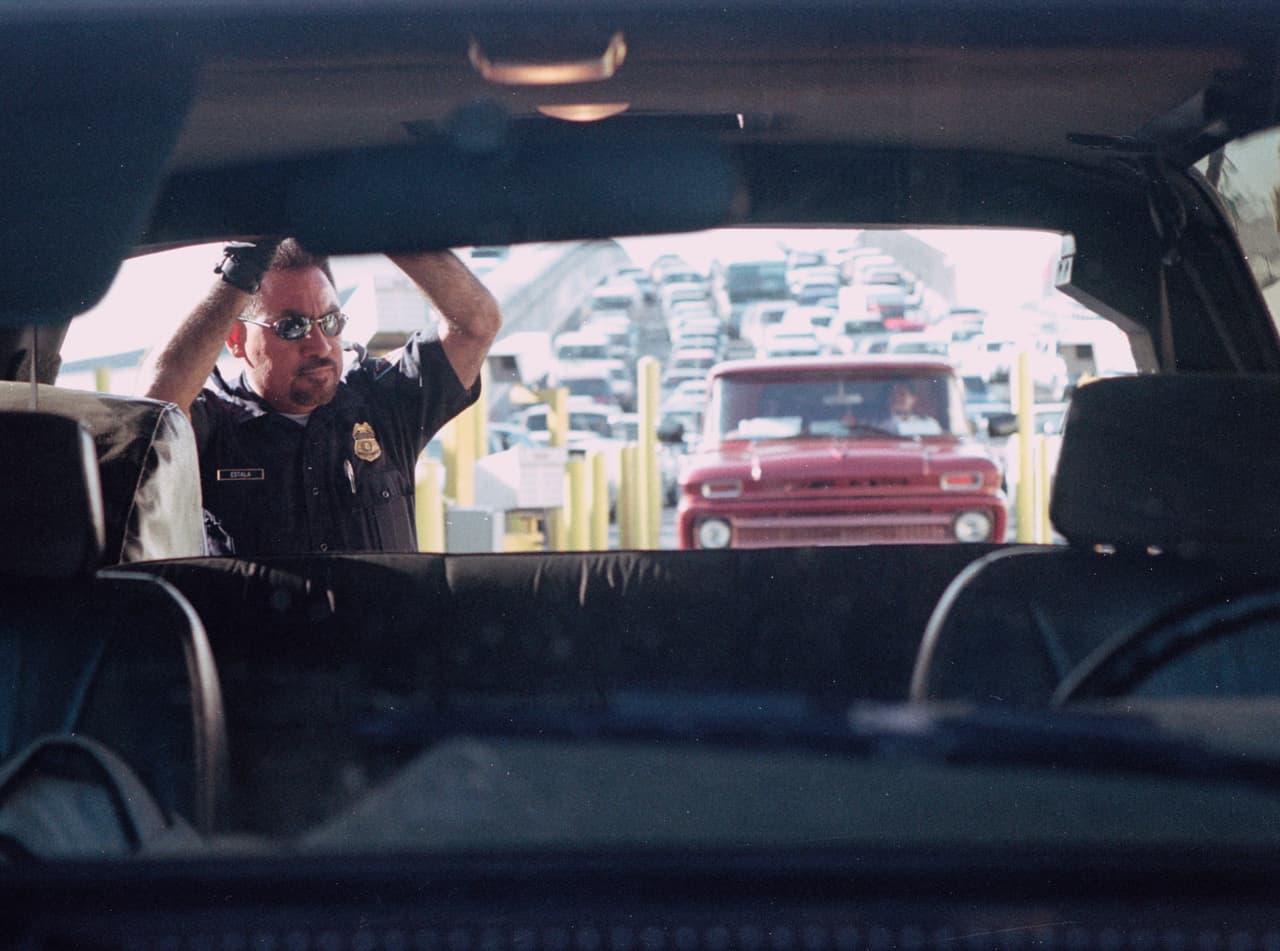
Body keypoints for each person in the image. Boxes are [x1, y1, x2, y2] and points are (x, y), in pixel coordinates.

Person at [142, 239, 502, 555]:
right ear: (237, 340)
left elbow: (476, 323)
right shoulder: (213, 425)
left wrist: (389, 225)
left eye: (330, 323)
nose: (319, 345)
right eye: (292, 327)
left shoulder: (383, 404)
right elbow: (153, 406)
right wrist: (243, 266)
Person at [875, 380, 942, 436]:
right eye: (893, 394)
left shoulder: (929, 425)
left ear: (913, 399)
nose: (896, 398)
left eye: (902, 394)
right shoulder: (879, 428)